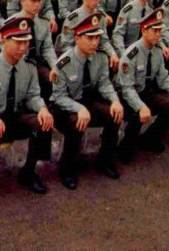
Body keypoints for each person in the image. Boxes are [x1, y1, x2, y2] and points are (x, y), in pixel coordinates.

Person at [0, 16, 54, 208]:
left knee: (43, 123)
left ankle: (28, 171)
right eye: (18, 42)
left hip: (13, 117)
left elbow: (32, 96)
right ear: (4, 40)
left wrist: (43, 108)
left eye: (26, 41)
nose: (23, 47)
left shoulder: (29, 66)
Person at [50, 13, 123, 189]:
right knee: (77, 121)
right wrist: (78, 108)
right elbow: (58, 97)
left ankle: (104, 160)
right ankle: (67, 168)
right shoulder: (64, 63)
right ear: (77, 38)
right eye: (89, 38)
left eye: (97, 37)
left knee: (115, 114)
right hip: (64, 108)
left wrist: (115, 100)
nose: (94, 42)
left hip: (88, 102)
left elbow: (104, 83)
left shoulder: (100, 57)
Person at [114, 6, 169, 163]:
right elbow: (126, 89)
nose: (159, 35)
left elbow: (163, 78)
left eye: (160, 31)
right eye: (155, 31)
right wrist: (140, 106)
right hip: (126, 95)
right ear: (144, 31)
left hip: (145, 91)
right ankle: (125, 148)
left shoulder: (157, 50)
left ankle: (150, 139)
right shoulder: (131, 55)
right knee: (138, 114)